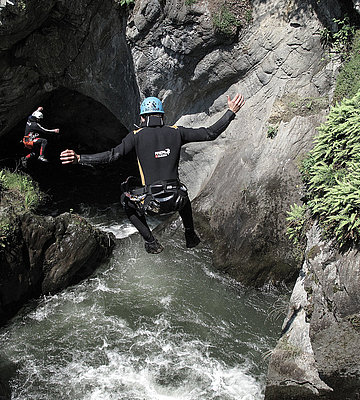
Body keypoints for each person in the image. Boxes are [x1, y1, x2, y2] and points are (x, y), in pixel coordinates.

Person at [60, 93, 245, 254]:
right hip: (176, 200)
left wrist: (80, 158)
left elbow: (112, 155)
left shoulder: (136, 135)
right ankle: (190, 233)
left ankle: (150, 241)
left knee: (125, 200)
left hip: (152, 203)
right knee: (183, 192)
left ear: (142, 118)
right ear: (162, 116)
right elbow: (210, 133)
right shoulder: (177, 132)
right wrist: (231, 112)